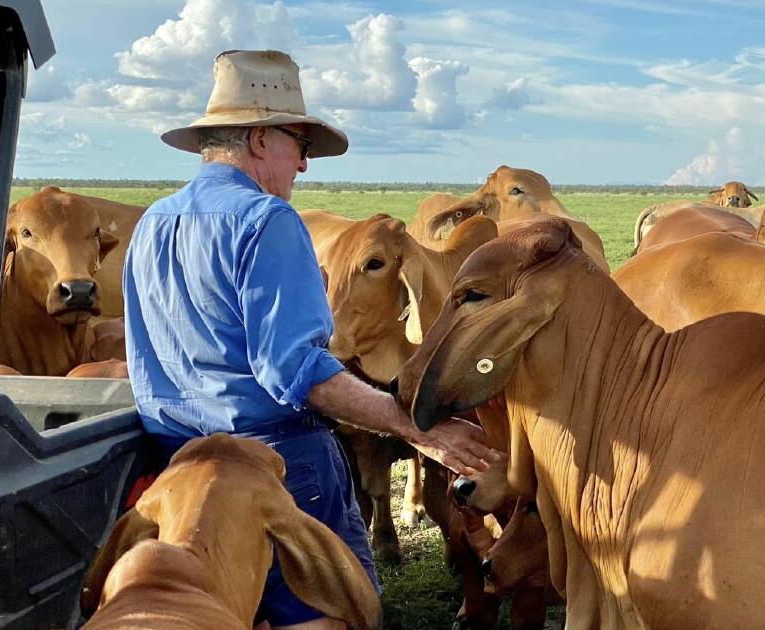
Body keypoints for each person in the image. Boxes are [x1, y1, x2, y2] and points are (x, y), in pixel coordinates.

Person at [123, 49, 500, 629]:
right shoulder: (265, 221)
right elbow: (296, 370)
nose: (303, 165)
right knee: (337, 615)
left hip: (175, 473)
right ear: (258, 140)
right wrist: (414, 427)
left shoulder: (152, 223)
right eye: (298, 145)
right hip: (277, 467)